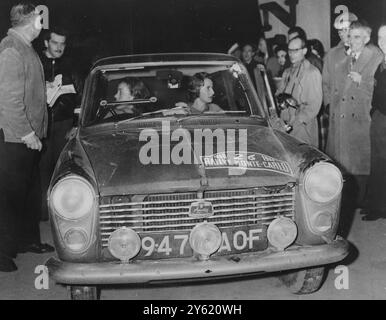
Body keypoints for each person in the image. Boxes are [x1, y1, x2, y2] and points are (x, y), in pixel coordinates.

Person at [0, 3, 54, 272]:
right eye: (40, 20)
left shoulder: (24, 46)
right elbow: (8, 101)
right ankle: (1, 252)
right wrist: (27, 133)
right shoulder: (11, 49)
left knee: (28, 192)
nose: (43, 25)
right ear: (29, 20)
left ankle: (26, 240)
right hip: (15, 139)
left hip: (29, 137)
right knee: (9, 197)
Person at [324, 20, 383, 208]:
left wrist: (362, 81)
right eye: (350, 36)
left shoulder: (376, 56)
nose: (352, 40)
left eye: (357, 37)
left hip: (361, 117)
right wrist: (329, 106)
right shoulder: (342, 56)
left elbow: (379, 90)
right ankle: (349, 201)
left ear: (366, 38)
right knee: (343, 163)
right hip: (340, 116)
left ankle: (362, 201)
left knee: (360, 163)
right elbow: (330, 85)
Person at [39, 27, 81, 221]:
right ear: (46, 43)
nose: (59, 47)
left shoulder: (71, 66)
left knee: (61, 168)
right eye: (55, 43)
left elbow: (79, 98)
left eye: (62, 43)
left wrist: (76, 125)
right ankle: (41, 212)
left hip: (64, 125)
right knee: (41, 169)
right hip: (41, 125)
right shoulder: (36, 62)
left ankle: (63, 212)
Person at [276, 36, 322, 147]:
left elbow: (313, 106)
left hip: (302, 128)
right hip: (285, 126)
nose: (291, 54)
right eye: (289, 50)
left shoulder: (312, 73)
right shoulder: (287, 72)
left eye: (295, 50)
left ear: (304, 51)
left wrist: (294, 122)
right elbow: (279, 94)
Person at [362, 25, 386, 221]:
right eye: (380, 37)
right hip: (380, 117)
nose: (383, 41)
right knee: (377, 163)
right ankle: (376, 205)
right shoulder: (381, 63)